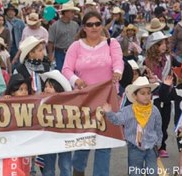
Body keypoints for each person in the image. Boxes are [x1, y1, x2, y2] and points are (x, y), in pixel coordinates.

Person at [62, 11, 124, 176]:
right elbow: (66, 69)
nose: (94, 27)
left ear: (102, 25)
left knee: (104, 144)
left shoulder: (112, 43)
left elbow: (118, 62)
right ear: (84, 28)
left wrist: (117, 72)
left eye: (97, 23)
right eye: (90, 24)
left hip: (107, 100)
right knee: (84, 141)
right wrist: (76, 80)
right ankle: (79, 168)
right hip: (84, 101)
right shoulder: (76, 46)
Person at [103, 76, 162, 175]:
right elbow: (117, 120)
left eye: (148, 93)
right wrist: (109, 112)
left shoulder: (154, 110)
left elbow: (158, 127)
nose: (146, 96)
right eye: (142, 93)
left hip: (151, 147)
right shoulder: (128, 110)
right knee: (135, 172)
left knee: (153, 172)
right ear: (135, 96)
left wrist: (158, 142)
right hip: (134, 147)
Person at [144, 31, 180, 158]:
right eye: (161, 43)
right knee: (154, 123)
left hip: (167, 94)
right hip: (153, 96)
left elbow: (180, 67)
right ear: (154, 46)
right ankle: (153, 145)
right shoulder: (147, 61)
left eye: (165, 42)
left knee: (165, 122)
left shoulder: (170, 58)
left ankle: (162, 146)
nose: (164, 45)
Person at [47, 2, 80, 71]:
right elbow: (50, 42)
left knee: (72, 72)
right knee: (61, 73)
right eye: (72, 12)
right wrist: (50, 56)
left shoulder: (75, 25)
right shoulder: (55, 26)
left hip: (72, 52)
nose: (74, 14)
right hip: (59, 53)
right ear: (65, 13)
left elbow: (78, 39)